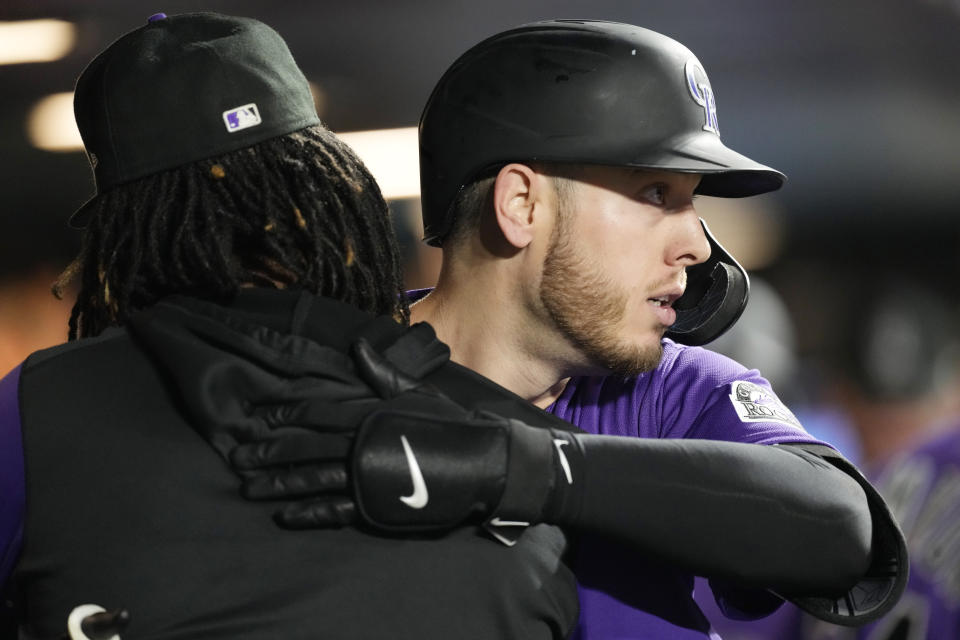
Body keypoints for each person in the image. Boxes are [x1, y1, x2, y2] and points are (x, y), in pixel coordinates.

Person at [233, 20, 909, 639]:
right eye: (654, 194)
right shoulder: (318, 379)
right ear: (521, 204)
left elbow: (840, 530)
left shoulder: (664, 391)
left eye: (690, 201)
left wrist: (524, 469)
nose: (698, 246)